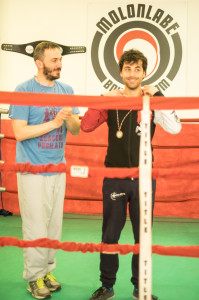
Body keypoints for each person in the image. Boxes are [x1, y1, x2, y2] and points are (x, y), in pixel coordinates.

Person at [81, 49, 181, 300]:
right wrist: (103, 97)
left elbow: (175, 128)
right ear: (121, 72)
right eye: (128, 68)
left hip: (145, 179)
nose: (132, 74)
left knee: (143, 236)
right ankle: (107, 286)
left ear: (145, 72)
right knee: (110, 235)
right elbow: (86, 125)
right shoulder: (111, 100)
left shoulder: (151, 101)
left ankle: (140, 287)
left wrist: (158, 95)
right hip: (114, 176)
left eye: (137, 69)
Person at [9, 41, 80, 299]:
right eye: (53, 60)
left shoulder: (67, 90)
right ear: (39, 64)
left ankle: (48, 271)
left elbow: (75, 129)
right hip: (31, 169)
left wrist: (69, 117)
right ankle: (33, 277)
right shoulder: (23, 90)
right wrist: (54, 122)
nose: (59, 64)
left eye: (60, 59)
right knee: (35, 226)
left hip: (57, 168)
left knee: (53, 227)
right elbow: (19, 133)